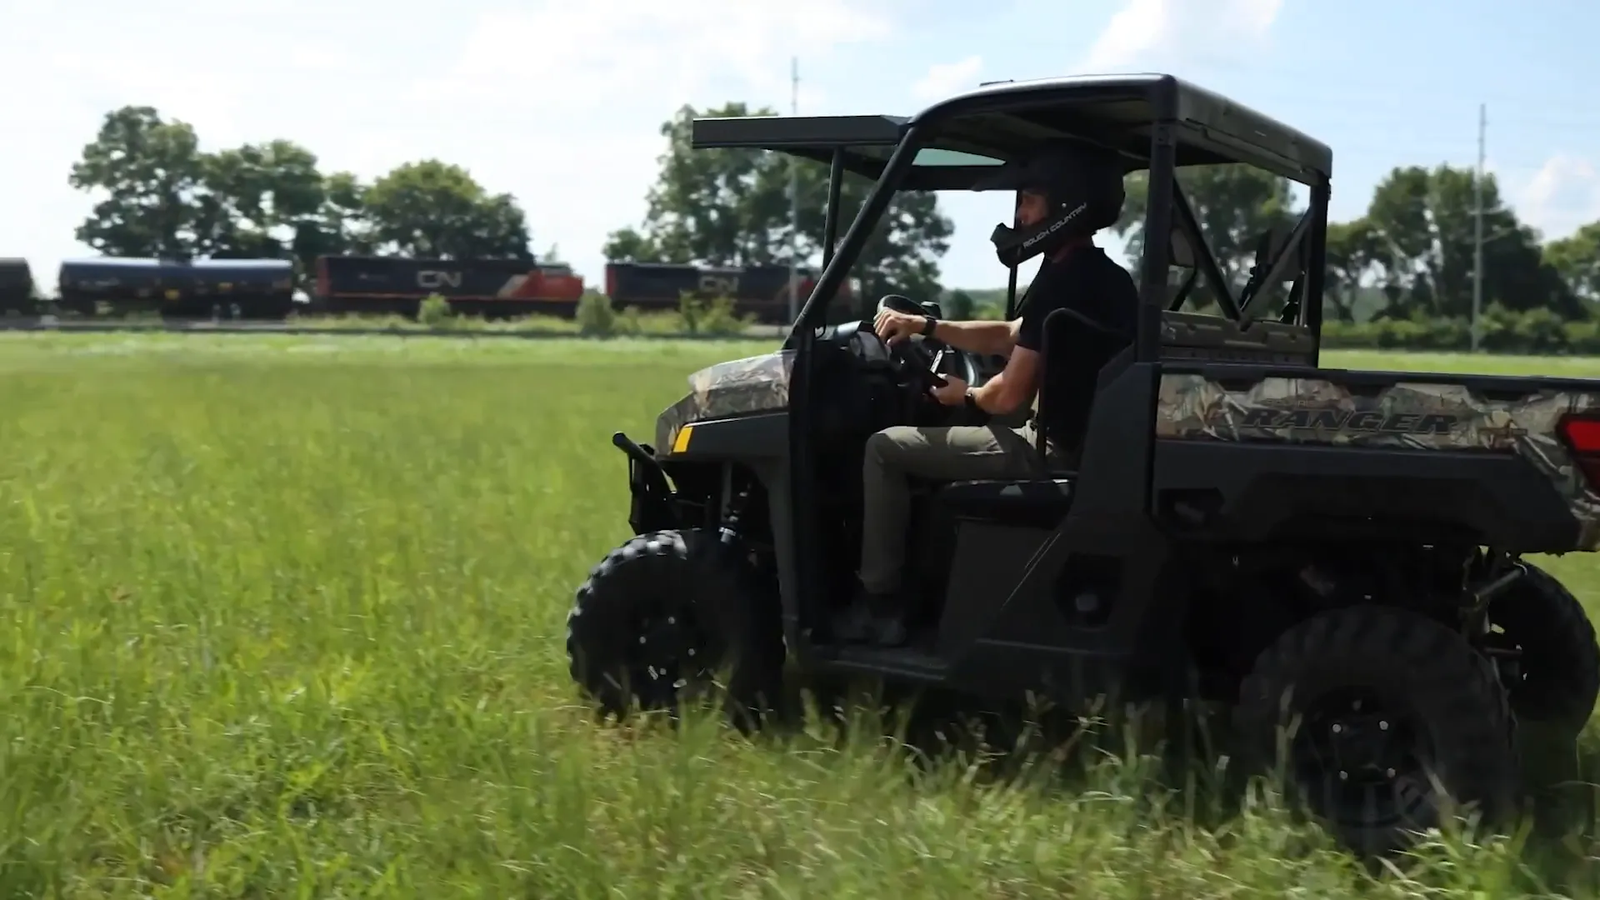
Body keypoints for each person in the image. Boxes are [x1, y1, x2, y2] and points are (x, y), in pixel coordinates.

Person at [834, 139, 1141, 647]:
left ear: (1066, 205)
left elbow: (1007, 398)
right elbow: (1011, 333)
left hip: (1050, 451)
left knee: (883, 449)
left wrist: (964, 397)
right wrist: (925, 326)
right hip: (1089, 445)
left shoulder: (1066, 282)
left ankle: (880, 605)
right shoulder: (1102, 276)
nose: (1019, 214)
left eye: (1029, 201)